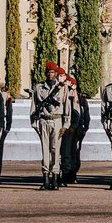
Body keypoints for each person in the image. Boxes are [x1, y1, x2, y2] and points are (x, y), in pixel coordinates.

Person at [30, 62, 70, 190]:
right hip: (44, 121)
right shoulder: (39, 88)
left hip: (57, 121)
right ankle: (46, 178)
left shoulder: (63, 88)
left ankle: (55, 178)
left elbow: (67, 108)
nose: (50, 74)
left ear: (56, 74)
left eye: (53, 72)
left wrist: (65, 125)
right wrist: (34, 123)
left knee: (55, 149)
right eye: (48, 72)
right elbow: (34, 106)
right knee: (45, 150)